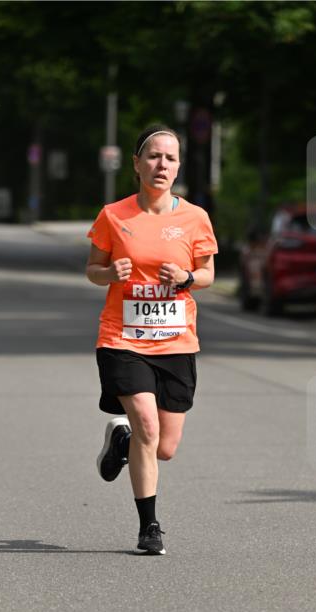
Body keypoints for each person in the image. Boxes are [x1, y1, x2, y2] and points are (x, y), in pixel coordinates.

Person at [86, 124, 218, 554]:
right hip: (123, 338)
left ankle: (120, 440)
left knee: (164, 448)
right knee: (146, 422)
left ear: (178, 167)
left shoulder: (195, 218)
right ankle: (149, 527)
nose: (162, 165)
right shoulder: (114, 215)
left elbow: (208, 275)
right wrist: (111, 273)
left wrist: (185, 278)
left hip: (176, 342)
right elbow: (93, 270)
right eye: (154, 156)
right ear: (137, 164)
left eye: (171, 158)